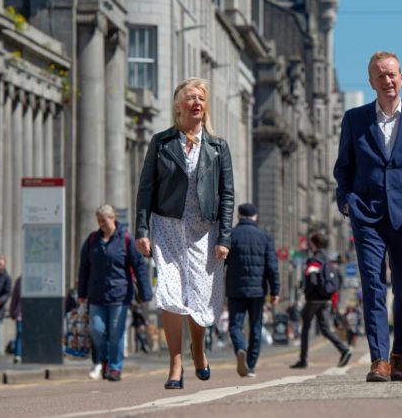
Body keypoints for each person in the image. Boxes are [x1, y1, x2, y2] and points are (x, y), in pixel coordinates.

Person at [334, 51, 402, 382]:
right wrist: (347, 201)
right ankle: (378, 360)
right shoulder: (354, 120)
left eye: (393, 74)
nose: (388, 80)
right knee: (372, 286)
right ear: (371, 82)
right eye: (381, 75)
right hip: (366, 215)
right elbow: (344, 168)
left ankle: (399, 355)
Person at [135, 77, 235, 389]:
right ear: (178, 106)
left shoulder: (218, 148)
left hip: (204, 231)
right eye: (190, 97)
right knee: (171, 295)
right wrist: (141, 230)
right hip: (167, 227)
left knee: (200, 298)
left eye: (200, 98)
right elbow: (146, 190)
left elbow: (227, 194)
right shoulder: (162, 142)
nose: (196, 102)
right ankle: (175, 363)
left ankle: (199, 350)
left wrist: (225, 238)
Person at [78, 204, 152, 382]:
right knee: (96, 330)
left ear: (112, 218)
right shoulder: (92, 240)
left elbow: (139, 267)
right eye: (99, 221)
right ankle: (103, 360)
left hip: (119, 296)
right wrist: (81, 292)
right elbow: (84, 268)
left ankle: (115, 367)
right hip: (96, 295)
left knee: (116, 333)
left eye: (104, 220)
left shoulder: (126, 239)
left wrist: (145, 292)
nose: (101, 224)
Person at [225, 202, 280, 378]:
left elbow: (220, 263)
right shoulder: (265, 237)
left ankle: (240, 348)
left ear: (239, 216)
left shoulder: (230, 235)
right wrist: (275, 291)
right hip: (257, 291)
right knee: (256, 327)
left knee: (235, 326)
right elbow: (272, 266)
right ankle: (250, 364)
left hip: (235, 290)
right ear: (255, 217)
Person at [290, 232, 352, 369]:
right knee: (325, 329)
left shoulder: (314, 260)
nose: (309, 245)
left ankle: (303, 359)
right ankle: (344, 350)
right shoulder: (327, 259)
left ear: (314, 244)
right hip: (326, 299)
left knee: (305, 327)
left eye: (310, 243)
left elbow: (312, 280)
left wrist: (307, 293)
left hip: (314, 299)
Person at [9, 276, 23, 364]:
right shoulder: (20, 280)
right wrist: (12, 311)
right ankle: (17, 355)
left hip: (32, 312)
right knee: (20, 332)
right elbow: (15, 296)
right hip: (20, 313)